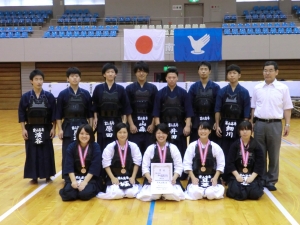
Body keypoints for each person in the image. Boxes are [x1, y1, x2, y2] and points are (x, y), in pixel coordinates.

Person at [251, 61, 293, 191]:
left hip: (275, 124)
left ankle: (271, 180)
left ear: (276, 72)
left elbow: (287, 108)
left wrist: (287, 124)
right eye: (265, 70)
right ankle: (261, 177)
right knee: (260, 153)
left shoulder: (283, 88)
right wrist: (252, 123)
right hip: (259, 124)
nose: (267, 73)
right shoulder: (257, 87)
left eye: (270, 70)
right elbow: (253, 107)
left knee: (274, 154)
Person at [18, 69, 56, 184]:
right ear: (31, 81)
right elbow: (21, 113)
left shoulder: (49, 96)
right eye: (36, 79)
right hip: (30, 127)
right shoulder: (26, 97)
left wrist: (54, 128)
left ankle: (48, 174)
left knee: (46, 151)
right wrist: (23, 129)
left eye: (40, 79)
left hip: (46, 127)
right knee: (32, 152)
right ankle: (33, 176)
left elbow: (54, 113)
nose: (39, 81)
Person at [56, 67, 93, 177]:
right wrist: (60, 129)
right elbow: (58, 114)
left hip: (82, 124)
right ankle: (67, 175)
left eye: (76, 76)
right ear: (67, 79)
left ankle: (83, 172)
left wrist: (89, 129)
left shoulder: (86, 94)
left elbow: (90, 114)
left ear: (80, 78)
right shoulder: (63, 94)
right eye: (72, 76)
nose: (74, 78)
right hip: (68, 125)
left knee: (83, 150)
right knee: (67, 151)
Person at [152, 67, 193, 161]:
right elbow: (156, 113)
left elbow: (188, 111)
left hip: (179, 125)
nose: (171, 79)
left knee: (180, 149)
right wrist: (159, 128)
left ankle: (181, 173)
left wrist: (187, 126)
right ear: (166, 78)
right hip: (165, 125)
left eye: (174, 77)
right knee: (165, 148)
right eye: (169, 77)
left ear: (177, 78)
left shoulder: (183, 93)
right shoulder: (160, 93)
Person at [136, 123, 185, 201]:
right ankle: (160, 194)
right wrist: (149, 178)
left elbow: (179, 166)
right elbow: (145, 166)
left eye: (163, 133)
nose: (161, 135)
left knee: (175, 195)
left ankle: (164, 194)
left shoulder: (173, 148)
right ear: (155, 134)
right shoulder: (150, 148)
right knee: (150, 195)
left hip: (170, 181)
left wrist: (174, 178)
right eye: (158, 133)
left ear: (167, 134)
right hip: (153, 181)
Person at [97, 123, 142, 199]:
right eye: (120, 132)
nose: (122, 135)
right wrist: (112, 178)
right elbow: (106, 164)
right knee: (117, 194)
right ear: (116, 133)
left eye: (124, 132)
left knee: (131, 193)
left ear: (128, 133)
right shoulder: (110, 146)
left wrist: (133, 177)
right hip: (115, 177)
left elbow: (137, 162)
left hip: (129, 177)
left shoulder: (133, 146)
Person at [92, 63, 132, 151]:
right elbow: (95, 104)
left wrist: (124, 122)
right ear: (104, 74)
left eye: (112, 72)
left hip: (116, 119)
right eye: (108, 72)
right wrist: (95, 117)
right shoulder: (98, 88)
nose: (110, 74)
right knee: (102, 143)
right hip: (102, 120)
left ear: (115, 74)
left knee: (116, 142)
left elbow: (125, 107)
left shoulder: (121, 89)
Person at [215, 64, 251, 159]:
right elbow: (217, 109)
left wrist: (244, 127)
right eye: (230, 73)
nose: (232, 75)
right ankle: (224, 171)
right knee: (224, 148)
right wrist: (218, 125)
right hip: (224, 123)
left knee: (237, 148)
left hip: (238, 123)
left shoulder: (244, 92)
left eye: (234, 73)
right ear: (227, 75)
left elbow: (247, 110)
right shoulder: (222, 91)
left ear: (239, 75)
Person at [59, 124, 102, 201]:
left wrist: (85, 182)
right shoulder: (71, 146)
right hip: (75, 176)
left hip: (90, 178)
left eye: (87, 134)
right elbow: (69, 165)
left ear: (91, 135)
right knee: (69, 195)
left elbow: (95, 166)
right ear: (77, 134)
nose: (84, 136)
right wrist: (73, 181)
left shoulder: (95, 146)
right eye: (81, 133)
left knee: (84, 195)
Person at [183, 121, 225, 200]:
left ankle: (207, 191)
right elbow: (187, 163)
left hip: (212, 177)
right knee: (196, 193)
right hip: (197, 177)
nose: (203, 131)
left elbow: (221, 164)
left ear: (209, 131)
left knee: (211, 194)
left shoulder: (215, 147)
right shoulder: (192, 146)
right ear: (197, 131)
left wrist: (216, 178)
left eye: (205, 129)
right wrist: (192, 177)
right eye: (200, 129)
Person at [126, 61, 158, 156]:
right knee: (135, 152)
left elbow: (155, 108)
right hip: (134, 123)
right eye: (139, 71)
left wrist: (153, 125)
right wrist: (131, 124)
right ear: (135, 73)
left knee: (149, 151)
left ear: (147, 73)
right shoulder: (129, 88)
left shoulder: (153, 88)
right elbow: (127, 108)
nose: (141, 73)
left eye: (144, 71)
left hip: (149, 123)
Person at [226, 121, 264, 200]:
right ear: (239, 132)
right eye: (242, 130)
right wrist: (237, 176)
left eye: (247, 129)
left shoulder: (257, 146)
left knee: (255, 193)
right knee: (235, 191)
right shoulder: (234, 145)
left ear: (251, 131)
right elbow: (230, 163)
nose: (245, 132)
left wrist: (252, 177)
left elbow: (260, 164)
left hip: (251, 174)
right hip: (238, 174)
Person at [188, 62, 220, 143]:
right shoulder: (193, 87)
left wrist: (217, 122)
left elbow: (218, 106)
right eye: (201, 69)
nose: (203, 71)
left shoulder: (215, 87)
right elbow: (189, 106)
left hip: (211, 119)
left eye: (205, 69)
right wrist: (189, 122)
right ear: (198, 71)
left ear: (210, 71)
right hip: (196, 119)